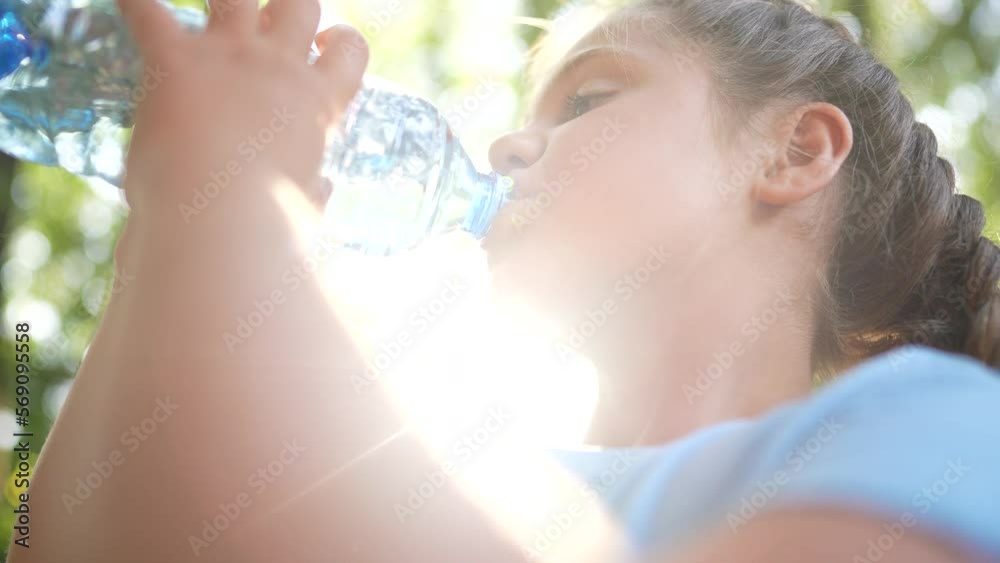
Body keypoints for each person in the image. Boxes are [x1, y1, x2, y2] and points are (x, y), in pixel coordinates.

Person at [9, 0, 1000, 561]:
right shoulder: (421, 474)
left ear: (793, 152)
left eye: (587, 100)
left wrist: (238, 208)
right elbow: (74, 538)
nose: (504, 145)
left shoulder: (940, 426)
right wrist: (177, 222)